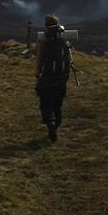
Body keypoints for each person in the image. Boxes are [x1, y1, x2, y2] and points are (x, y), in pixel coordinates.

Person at [34, 14, 73, 143]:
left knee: (45, 103)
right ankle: (57, 124)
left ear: (46, 25)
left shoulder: (43, 38)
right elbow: (70, 57)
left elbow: (39, 57)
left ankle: (50, 124)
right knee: (57, 104)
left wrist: (37, 72)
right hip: (61, 77)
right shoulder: (64, 37)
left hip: (47, 77)